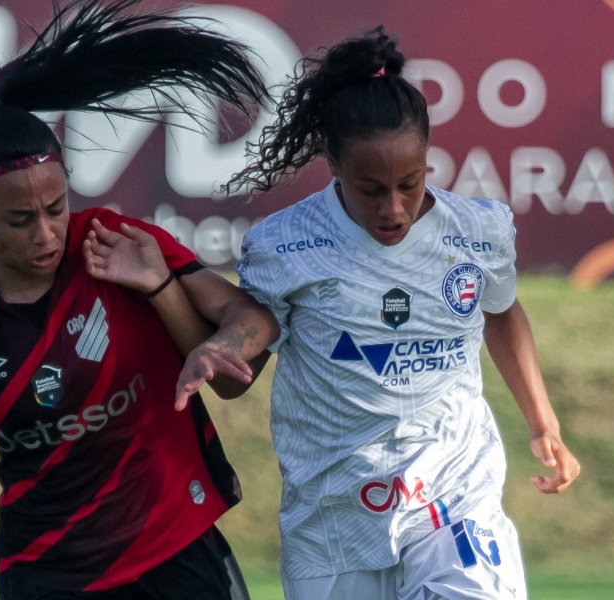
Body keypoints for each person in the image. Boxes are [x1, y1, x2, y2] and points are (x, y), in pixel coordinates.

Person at [0, 1, 277, 598]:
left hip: (175, 549)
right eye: (21, 220)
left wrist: (205, 332)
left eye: (55, 208)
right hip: (45, 573)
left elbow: (250, 322)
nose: (46, 234)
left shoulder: (116, 243)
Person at [224, 27, 582, 599]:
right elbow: (240, 361)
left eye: (409, 184)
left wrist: (544, 423)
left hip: (452, 492)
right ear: (335, 164)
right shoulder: (284, 245)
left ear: (428, 161)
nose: (393, 208)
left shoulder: (478, 231)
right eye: (371, 190)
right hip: (334, 521)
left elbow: (502, 311)